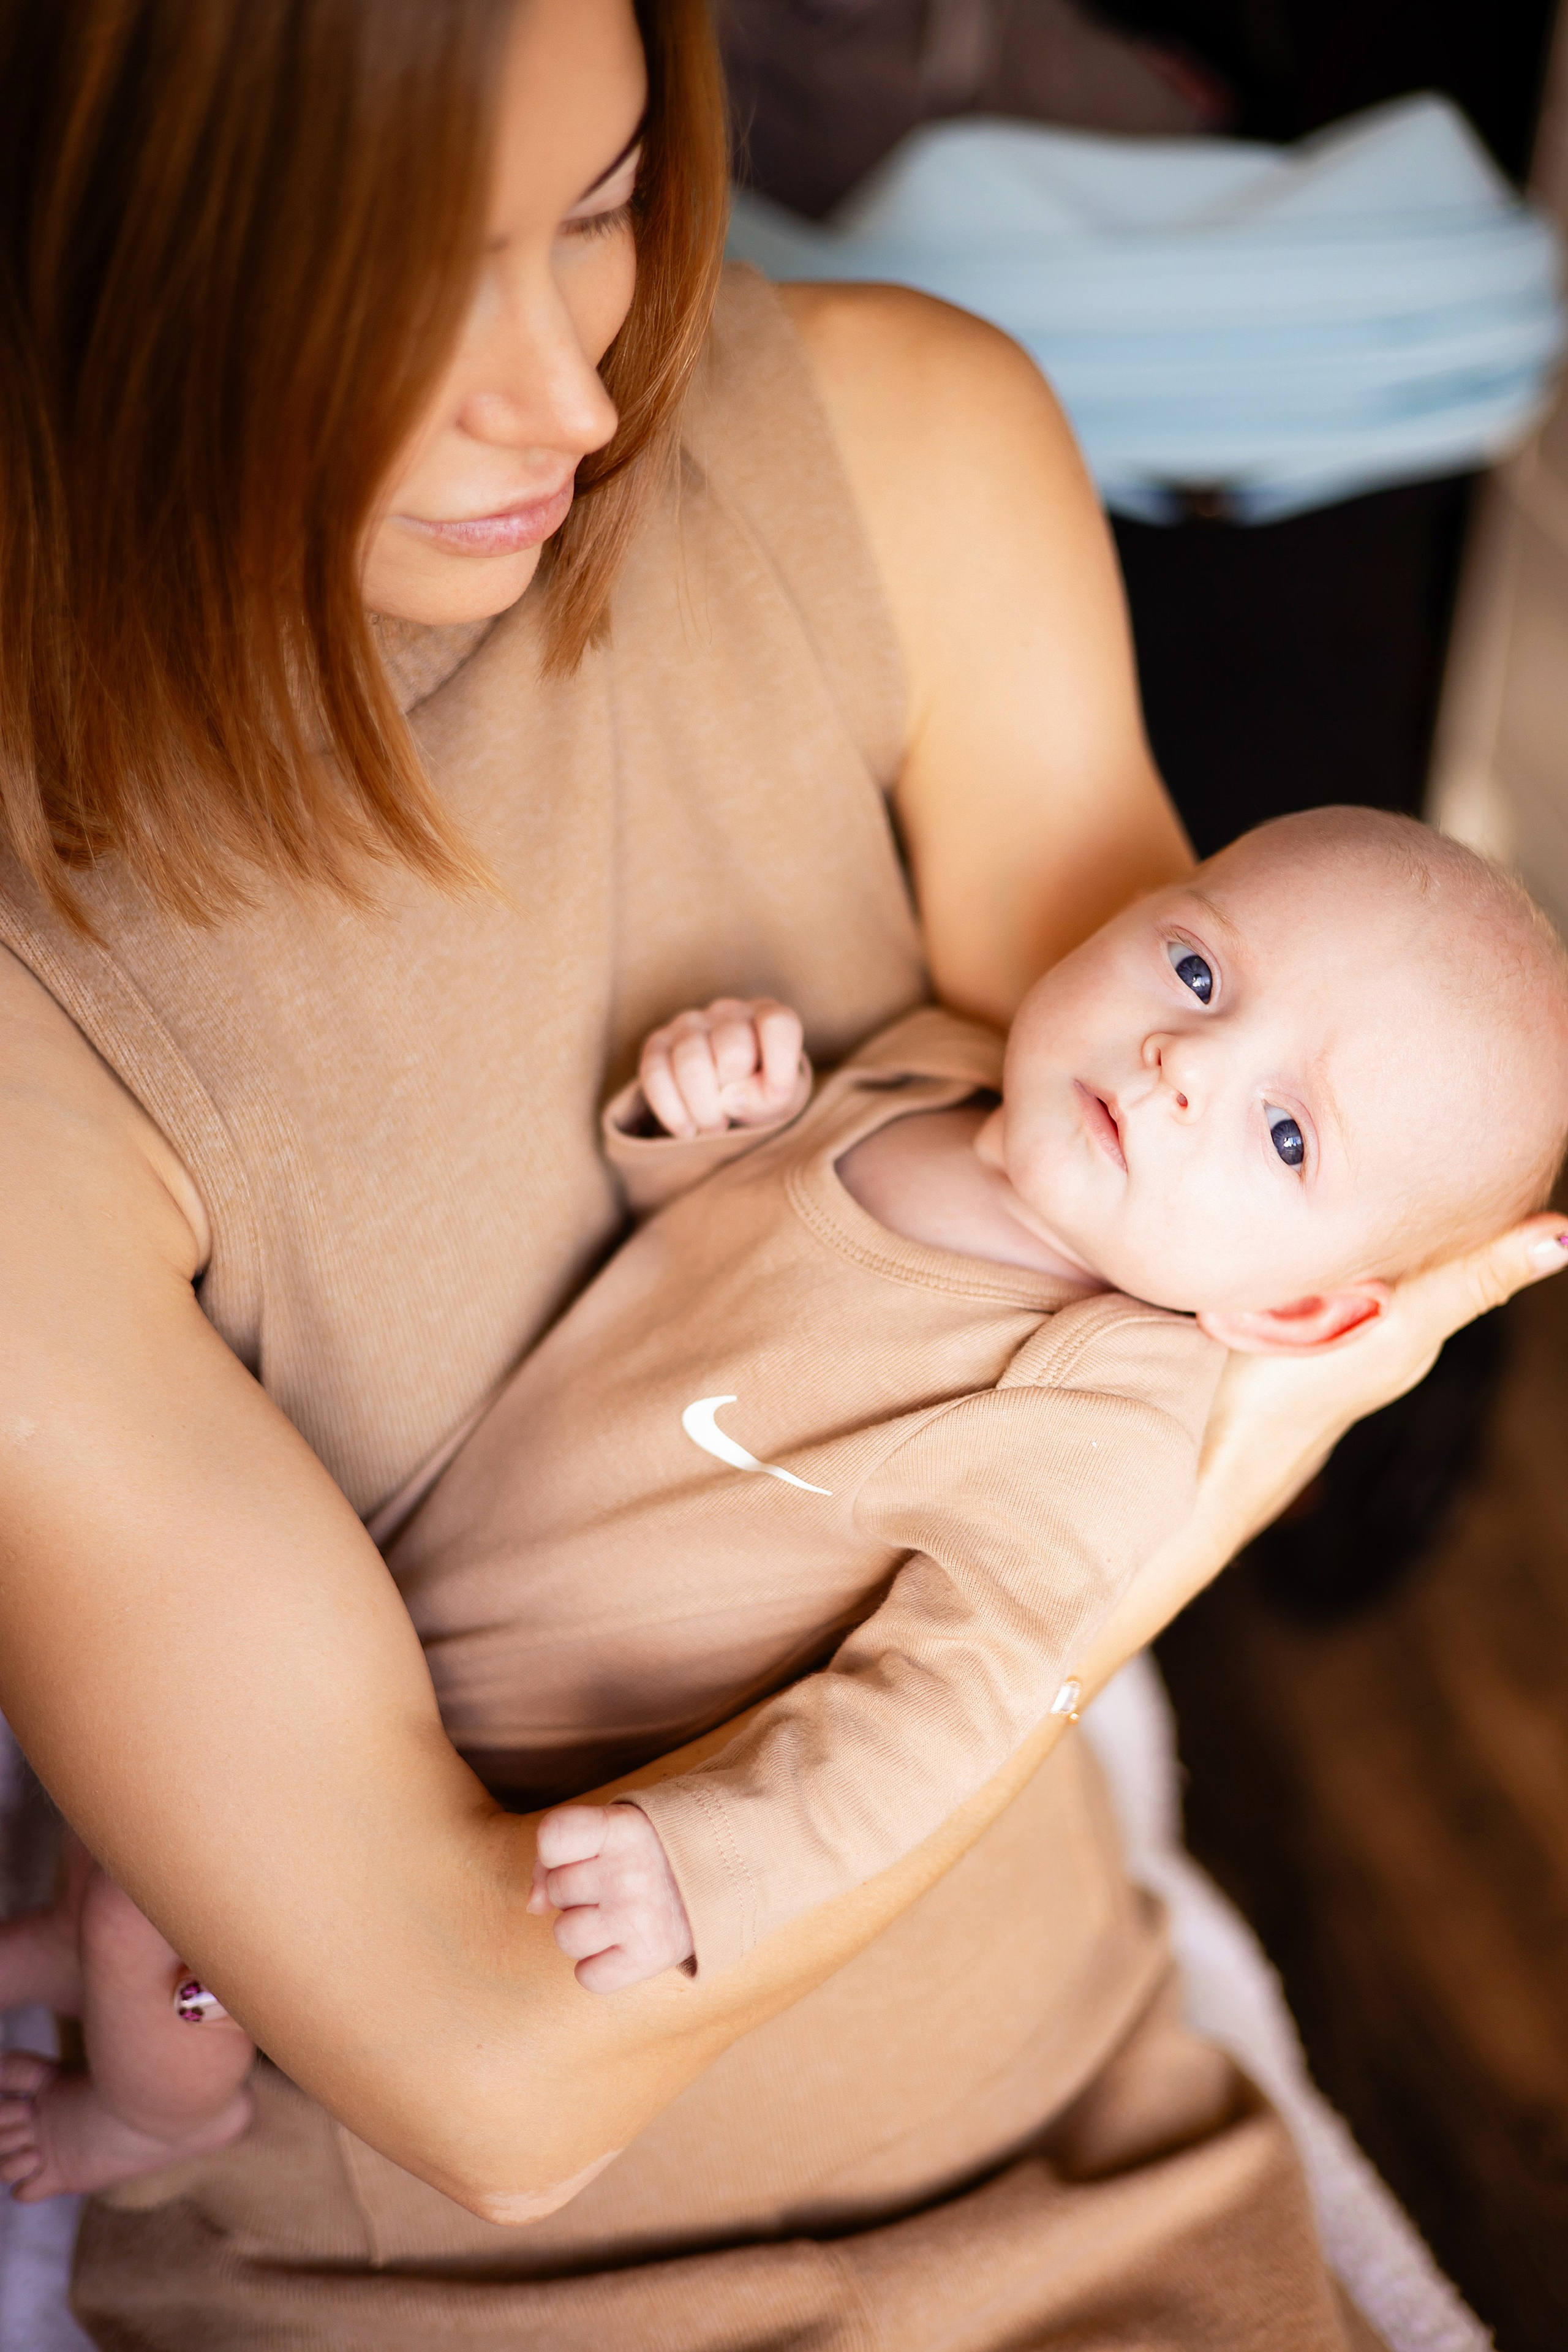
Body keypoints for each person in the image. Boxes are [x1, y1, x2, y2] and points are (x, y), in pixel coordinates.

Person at [0, 0, 1562, 2342]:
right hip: (446, 2292)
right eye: (411, 285)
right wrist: (1233, 1445)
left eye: (610, 199)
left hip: (1070, 2122)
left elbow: (1148, 1302)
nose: (574, 397)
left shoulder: (908, 439)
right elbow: (491, 2078)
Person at [5, 804, 1566, 2205]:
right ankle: (72, 1939)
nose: (1184, 1065)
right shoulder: (941, 1067)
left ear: (1296, 1321)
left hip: (515, 1740)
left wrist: (717, 1865)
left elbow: (947, 1717)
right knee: (144, 1786)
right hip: (402, 1584)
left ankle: (159, 2122)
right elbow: (718, 1275)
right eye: (1200, 973)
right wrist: (713, 1126)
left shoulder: (1087, 1422)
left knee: (172, 1905)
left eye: (1286, 1134)